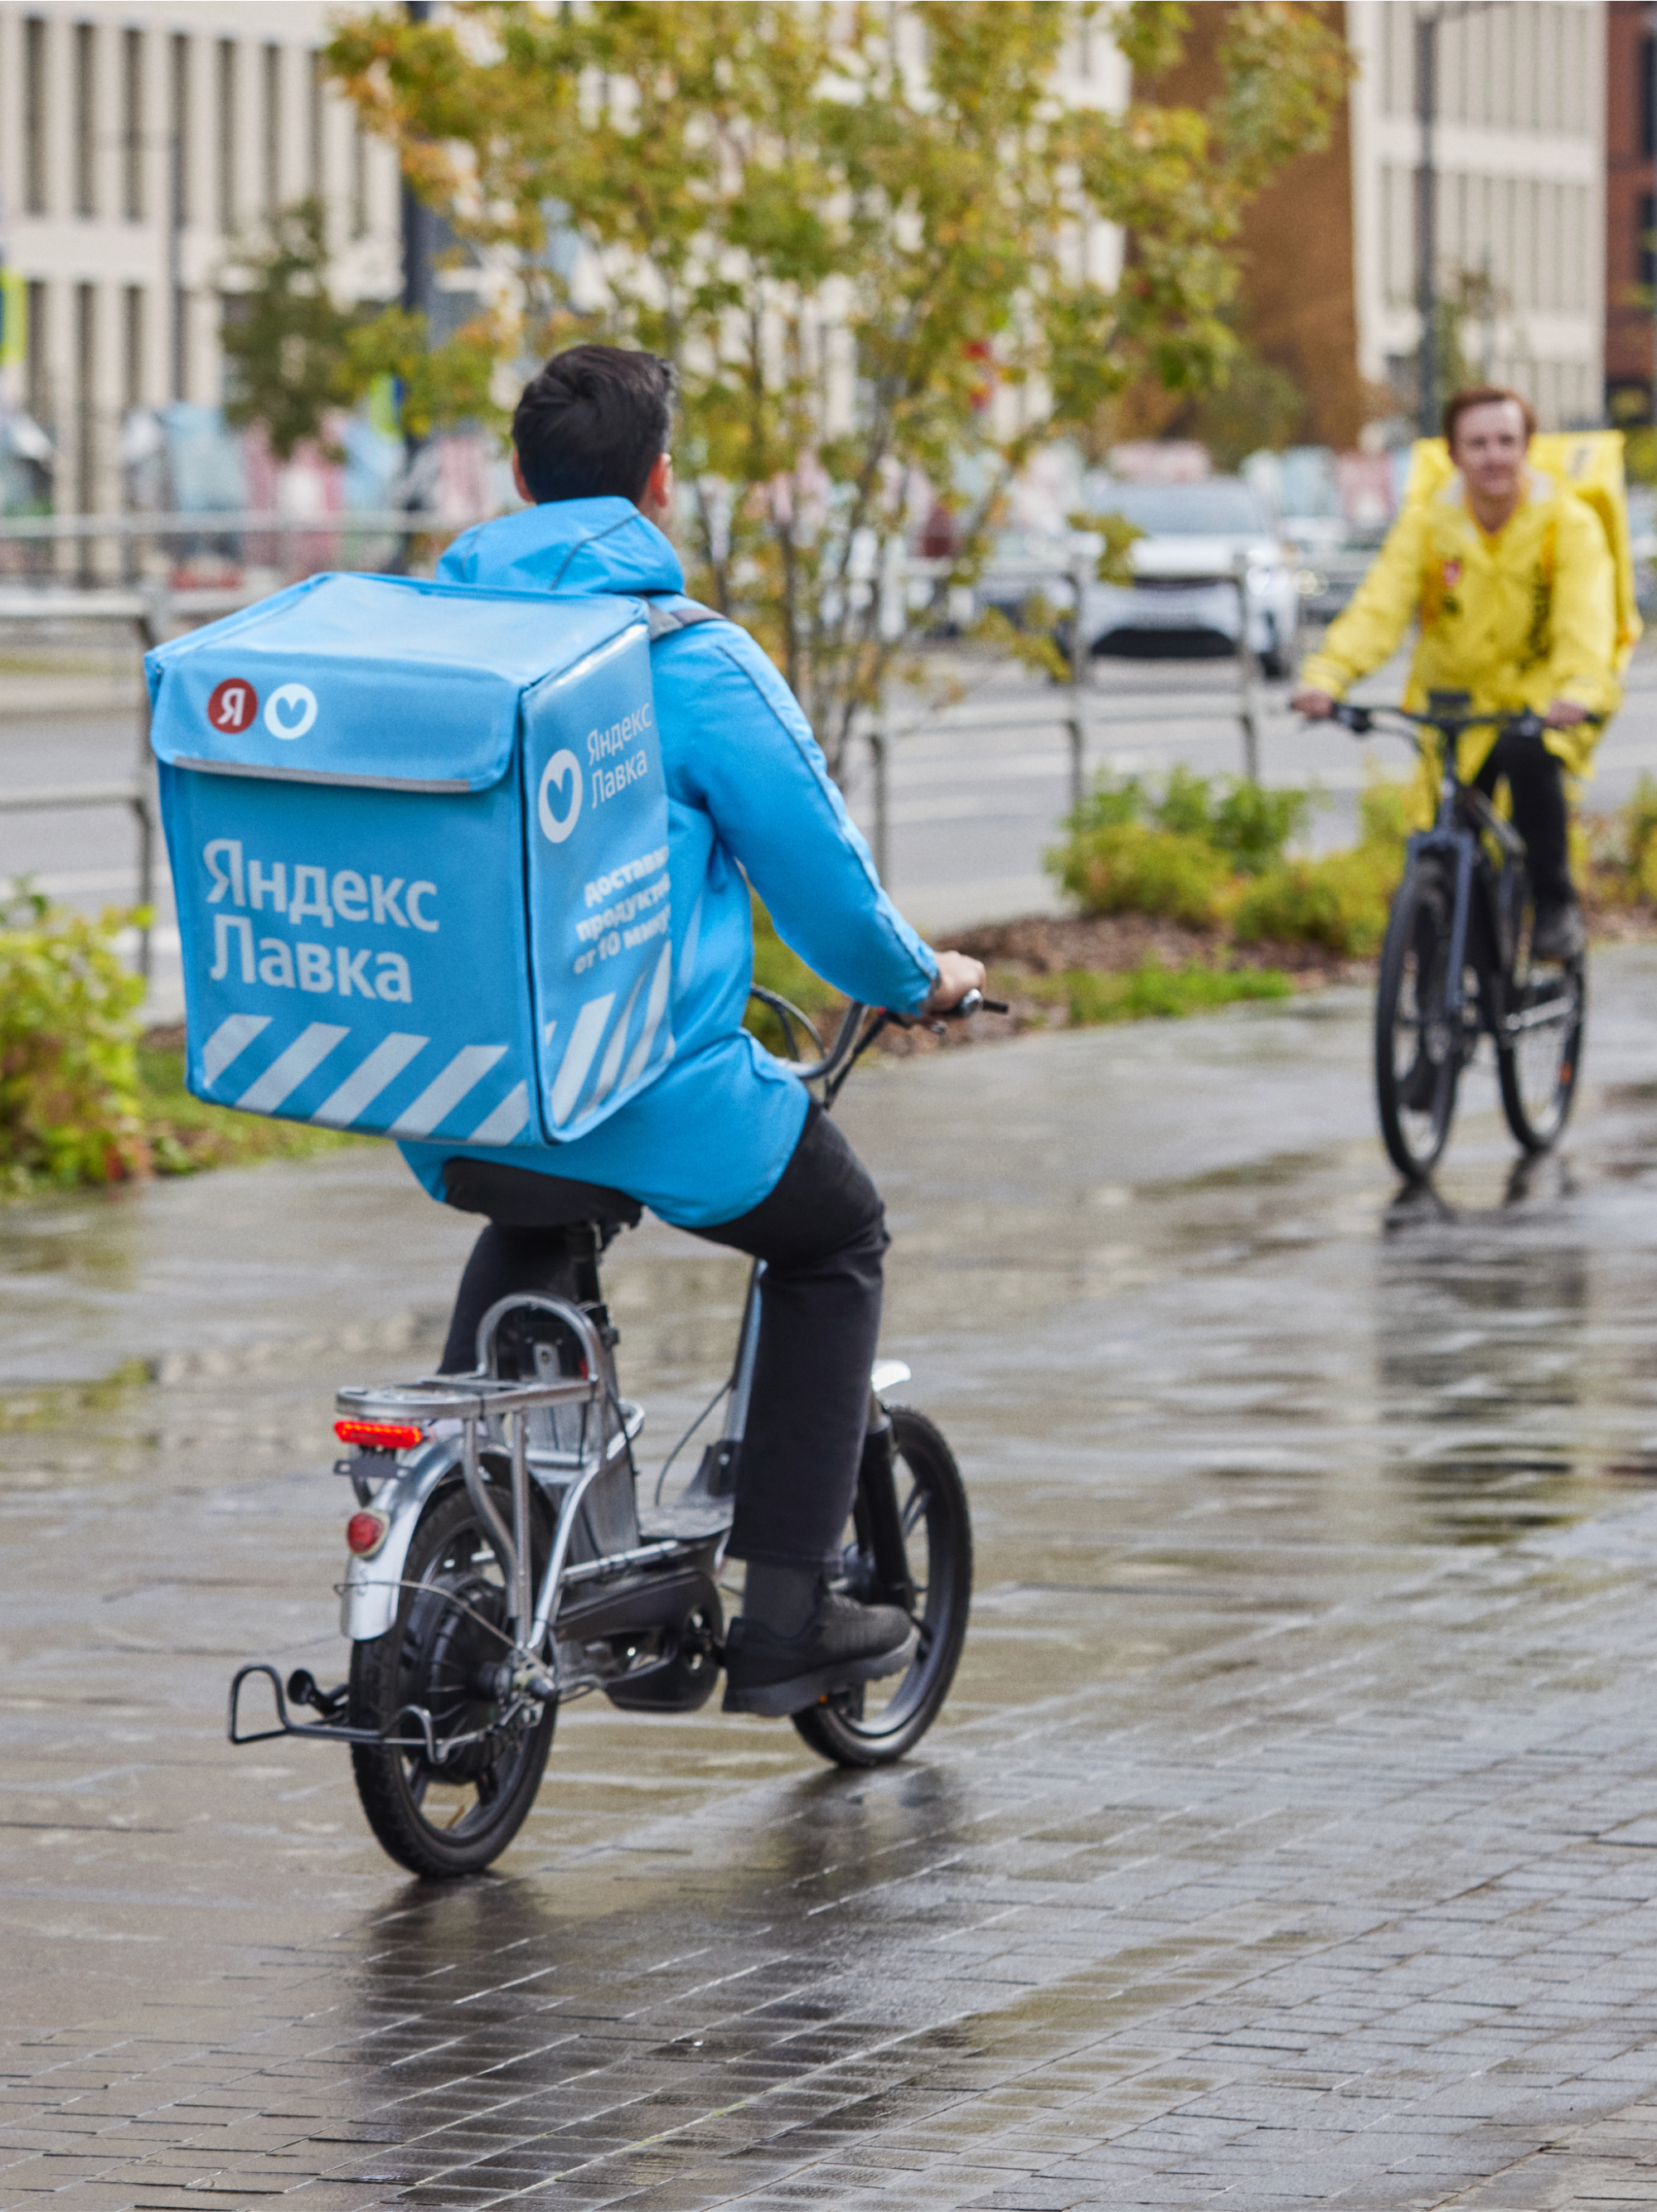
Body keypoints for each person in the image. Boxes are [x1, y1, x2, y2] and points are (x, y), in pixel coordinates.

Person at [400, 343, 988, 1720]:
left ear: (520, 484)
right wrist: (923, 976)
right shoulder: (687, 658)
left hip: (454, 1092)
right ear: (658, 486)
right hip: (646, 1082)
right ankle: (785, 1606)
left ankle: (480, 1530)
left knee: (537, 1208)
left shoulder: (438, 643)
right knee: (834, 1232)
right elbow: (833, 903)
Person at [1289, 385, 1622, 963]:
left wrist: (1580, 690)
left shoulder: (1566, 524)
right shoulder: (1427, 524)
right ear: (1453, 453)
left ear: (1527, 447)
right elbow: (1378, 607)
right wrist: (1328, 676)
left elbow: (1587, 621)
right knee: (1438, 852)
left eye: (1506, 441)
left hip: (1540, 700)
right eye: (1478, 443)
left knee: (1528, 757)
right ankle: (1438, 1007)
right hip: (1454, 707)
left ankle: (1554, 904)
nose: (1494, 455)